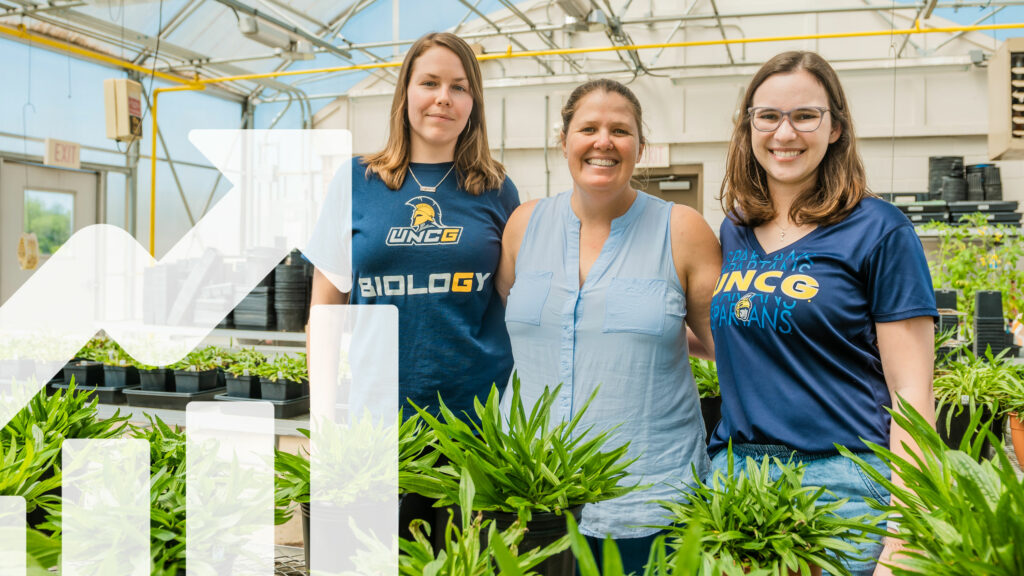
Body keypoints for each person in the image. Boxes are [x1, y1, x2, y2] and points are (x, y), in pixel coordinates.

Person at [709, 51, 936, 576]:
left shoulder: (880, 230)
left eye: (805, 115)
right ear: (748, 128)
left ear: (835, 128)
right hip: (738, 478)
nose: (784, 132)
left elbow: (912, 392)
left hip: (843, 481)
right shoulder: (736, 227)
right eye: (767, 116)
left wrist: (908, 530)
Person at [496, 79, 721, 573]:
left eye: (620, 130)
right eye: (589, 128)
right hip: (532, 492)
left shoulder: (681, 229)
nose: (604, 141)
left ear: (640, 146)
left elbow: (718, 344)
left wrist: (650, 331)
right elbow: (517, 313)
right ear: (564, 141)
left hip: (648, 493)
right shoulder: (523, 225)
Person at [304, 32, 519, 538]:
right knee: (375, 556)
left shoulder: (496, 188)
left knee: (465, 560)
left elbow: (515, 300)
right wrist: (323, 417)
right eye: (430, 83)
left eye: (459, 87)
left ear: (473, 104)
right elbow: (325, 308)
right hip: (376, 421)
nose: (443, 98)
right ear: (405, 95)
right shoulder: (357, 181)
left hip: (476, 422)